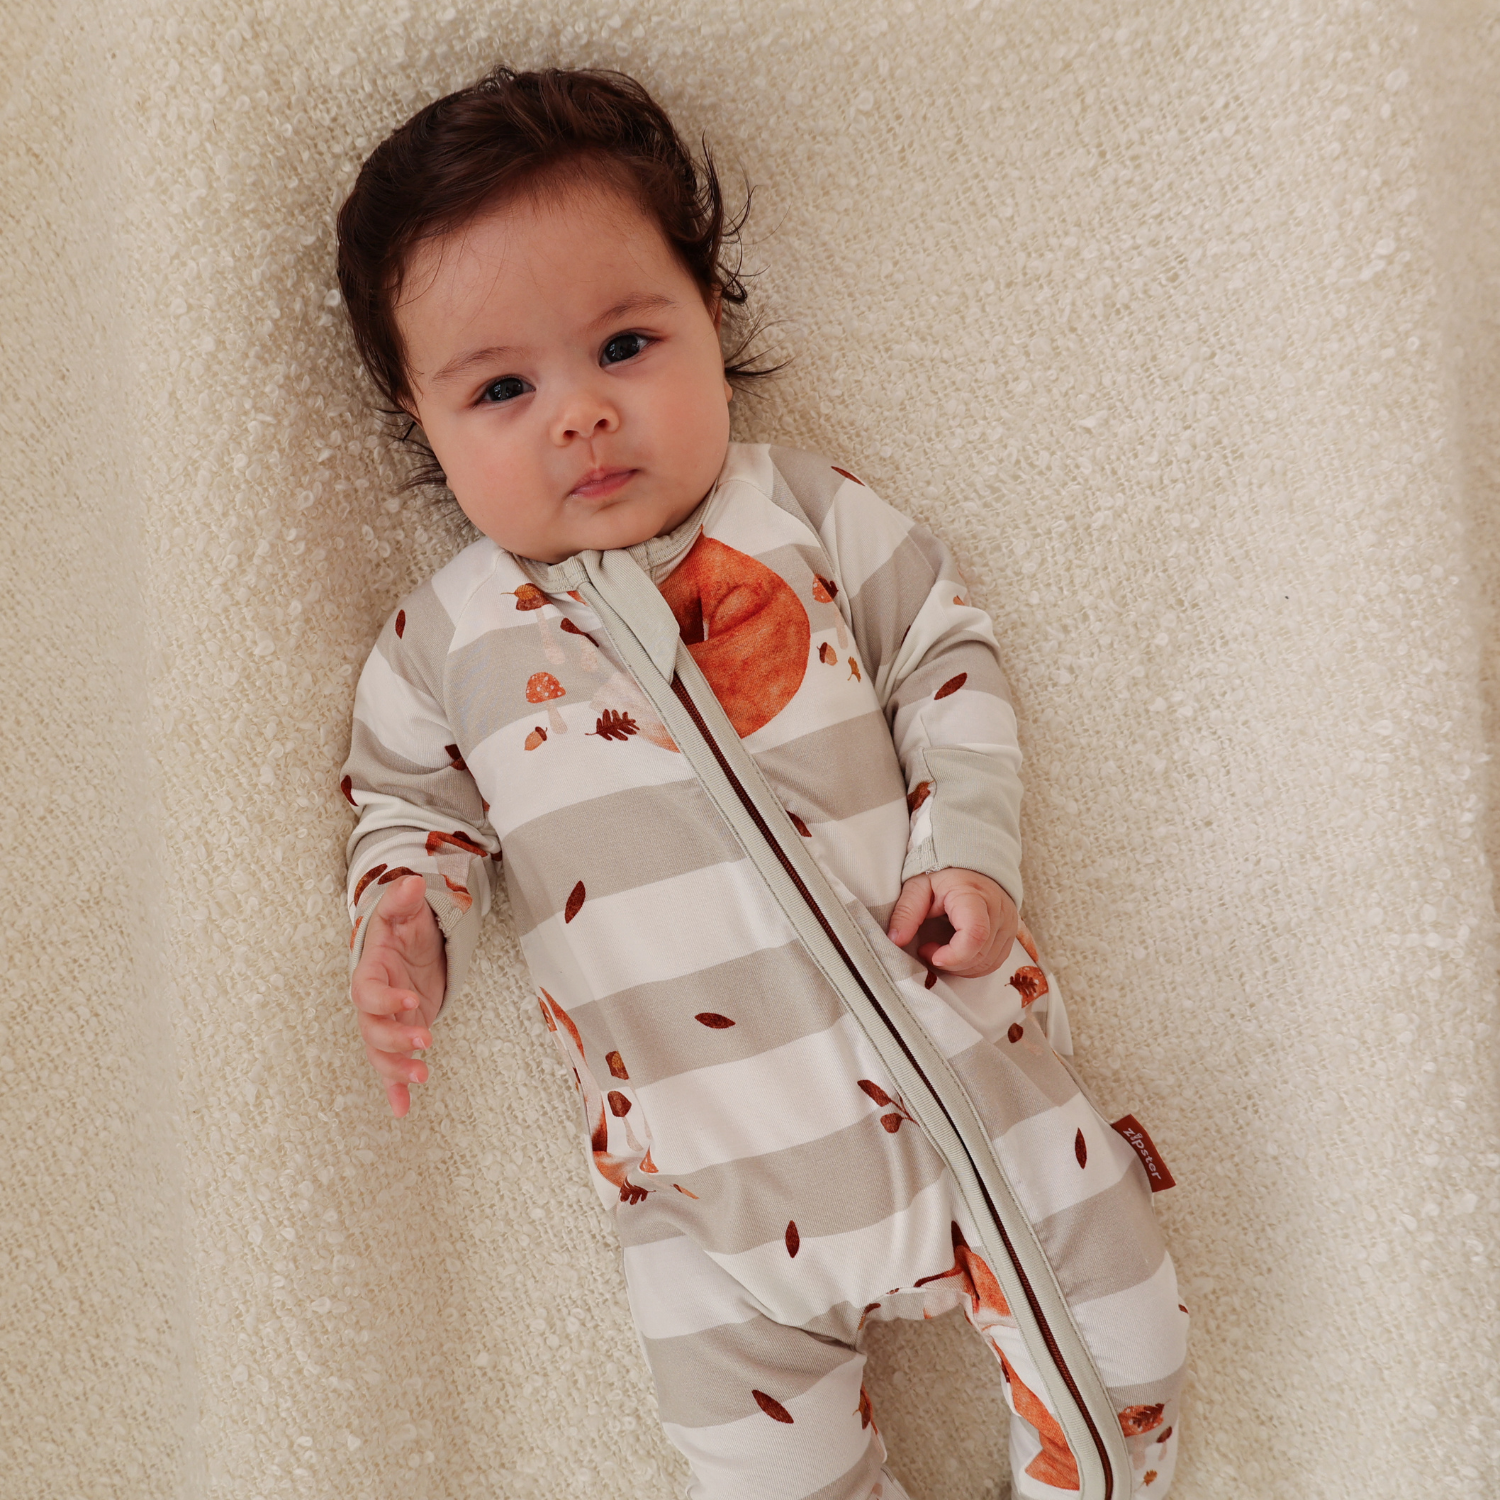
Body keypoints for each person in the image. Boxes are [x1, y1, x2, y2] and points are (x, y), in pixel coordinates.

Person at [335, 65, 1187, 1500]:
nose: (579, 415)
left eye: (624, 344)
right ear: (423, 423)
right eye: (502, 388)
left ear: (712, 325)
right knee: (758, 1471)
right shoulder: (442, 644)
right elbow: (407, 807)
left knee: (1131, 1346)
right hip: (703, 1193)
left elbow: (944, 655)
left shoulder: (801, 513)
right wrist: (406, 922)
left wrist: (967, 850)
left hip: (967, 1081)